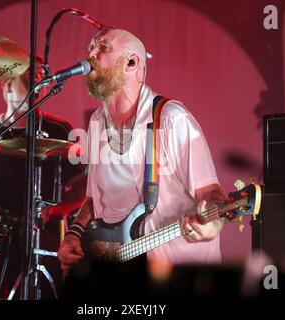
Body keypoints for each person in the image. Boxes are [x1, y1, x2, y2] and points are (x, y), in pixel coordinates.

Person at [58, 29, 226, 275]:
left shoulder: (171, 120)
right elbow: (95, 200)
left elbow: (212, 195)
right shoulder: (96, 122)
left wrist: (212, 223)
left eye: (102, 47)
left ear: (131, 62)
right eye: (90, 48)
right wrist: (74, 233)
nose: (91, 53)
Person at [0, 56, 84, 299]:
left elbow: (84, 184)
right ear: (6, 85)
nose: (37, 81)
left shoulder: (61, 131)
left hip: (45, 237)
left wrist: (58, 209)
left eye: (40, 77)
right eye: (28, 78)